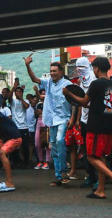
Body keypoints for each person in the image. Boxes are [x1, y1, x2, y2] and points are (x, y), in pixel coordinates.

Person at [63, 57, 112, 201]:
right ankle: (100, 190)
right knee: (100, 156)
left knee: (90, 156)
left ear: (96, 68)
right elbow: (100, 104)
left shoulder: (96, 83)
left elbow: (84, 102)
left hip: (96, 126)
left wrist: (68, 93)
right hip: (108, 125)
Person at [25, 54, 72, 186]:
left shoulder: (68, 84)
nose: (52, 73)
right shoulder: (48, 82)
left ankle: (64, 170)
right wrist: (27, 65)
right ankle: (59, 177)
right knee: (54, 147)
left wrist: (73, 118)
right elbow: (34, 79)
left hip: (63, 118)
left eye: (54, 71)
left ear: (61, 72)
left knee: (59, 141)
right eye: (51, 71)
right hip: (51, 119)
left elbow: (75, 101)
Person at [74, 57, 98, 188]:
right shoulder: (81, 81)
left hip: (93, 119)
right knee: (84, 149)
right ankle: (90, 176)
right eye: (77, 67)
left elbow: (86, 102)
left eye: (82, 67)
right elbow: (80, 102)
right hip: (83, 119)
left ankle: (98, 178)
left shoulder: (94, 80)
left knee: (93, 150)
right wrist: (78, 119)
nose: (79, 70)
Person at [9, 84, 31, 168]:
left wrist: (21, 98)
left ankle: (26, 162)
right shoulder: (13, 101)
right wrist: (13, 88)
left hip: (24, 126)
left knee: (25, 145)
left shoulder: (26, 101)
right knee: (14, 145)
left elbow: (27, 106)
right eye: (17, 91)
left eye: (20, 91)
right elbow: (9, 98)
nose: (18, 93)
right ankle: (16, 161)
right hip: (15, 127)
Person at [34, 102, 51, 169]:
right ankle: (41, 161)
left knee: (46, 144)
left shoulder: (48, 105)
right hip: (38, 124)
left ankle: (47, 162)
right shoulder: (39, 104)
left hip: (45, 124)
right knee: (37, 144)